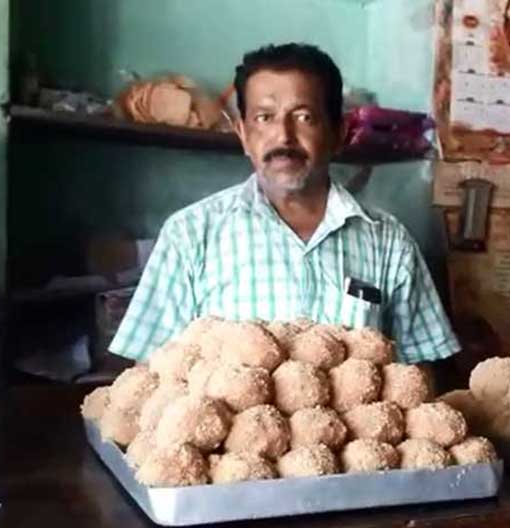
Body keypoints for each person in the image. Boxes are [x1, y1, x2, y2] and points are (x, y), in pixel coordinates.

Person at [109, 43, 459, 365]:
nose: (283, 136)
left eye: (304, 117)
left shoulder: (390, 242)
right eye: (264, 117)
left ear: (338, 134)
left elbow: (421, 372)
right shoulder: (190, 234)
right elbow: (149, 373)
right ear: (244, 135)